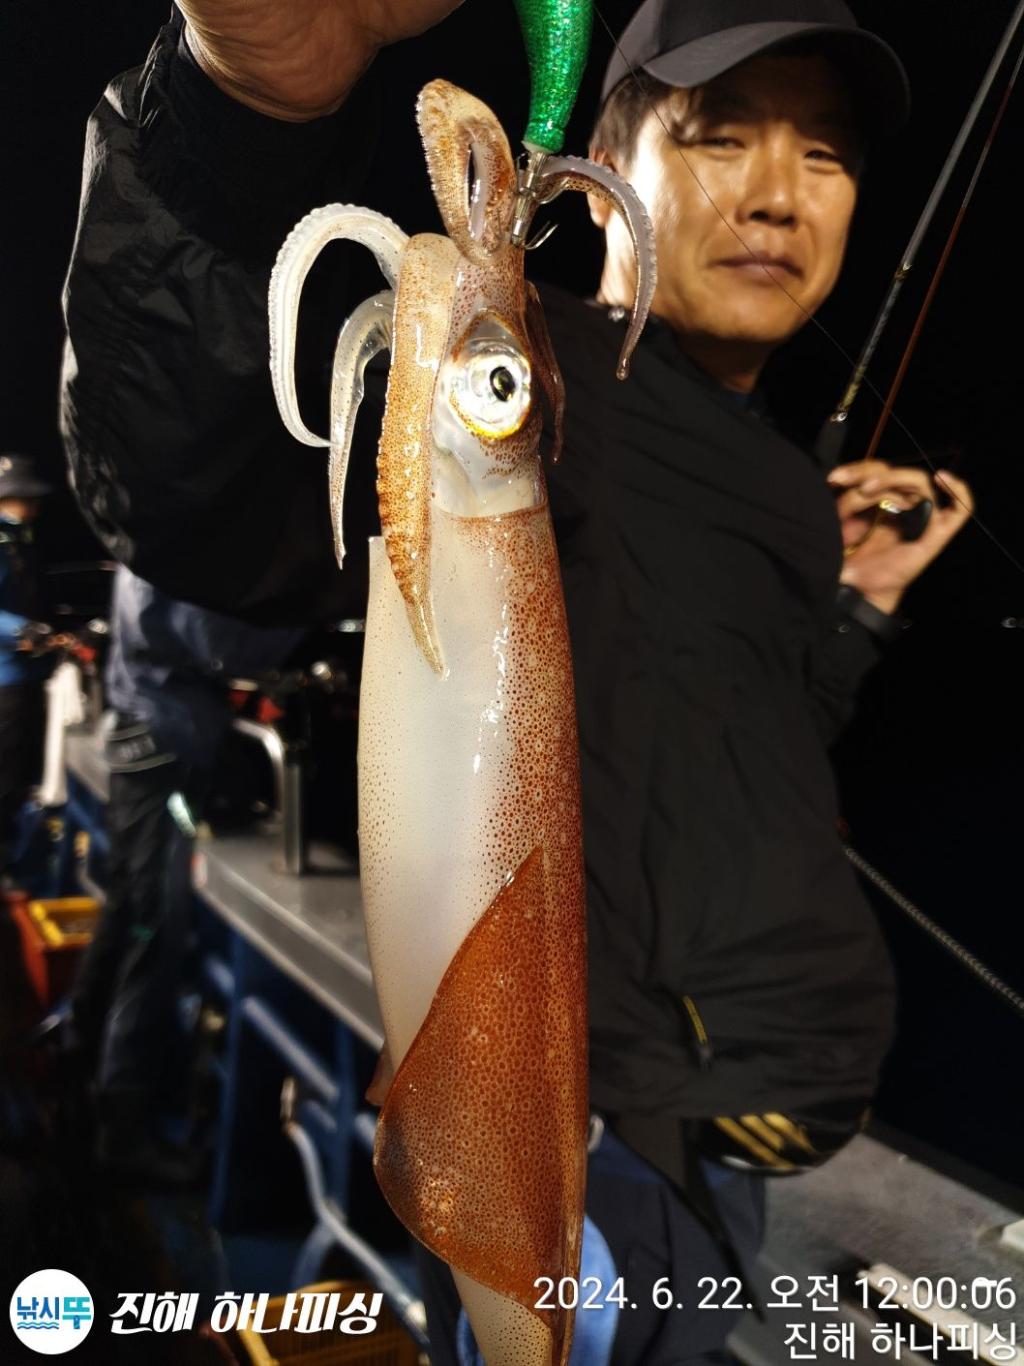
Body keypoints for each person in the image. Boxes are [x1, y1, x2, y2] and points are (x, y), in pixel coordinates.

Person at [59, 0, 975, 1359]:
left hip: (753, 1126)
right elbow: (181, 484)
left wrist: (852, 611)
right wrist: (234, 116)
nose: (782, 197)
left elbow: (748, 737)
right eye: (722, 136)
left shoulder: (784, 482)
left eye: (827, 158)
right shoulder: (546, 389)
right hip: (586, 1142)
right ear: (607, 171)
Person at [66, 564, 303, 1182]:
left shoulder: (142, 535)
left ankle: (78, 1055)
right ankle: (124, 1131)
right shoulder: (175, 548)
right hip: (164, 754)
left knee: (126, 911)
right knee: (153, 933)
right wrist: (303, 618)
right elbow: (221, 645)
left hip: (138, 740)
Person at [0, 452, 69, 879]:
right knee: (5, 776)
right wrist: (29, 631)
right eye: (23, 497)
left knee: (21, 773)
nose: (33, 506)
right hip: (5, 682)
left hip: (27, 678)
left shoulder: (20, 541)